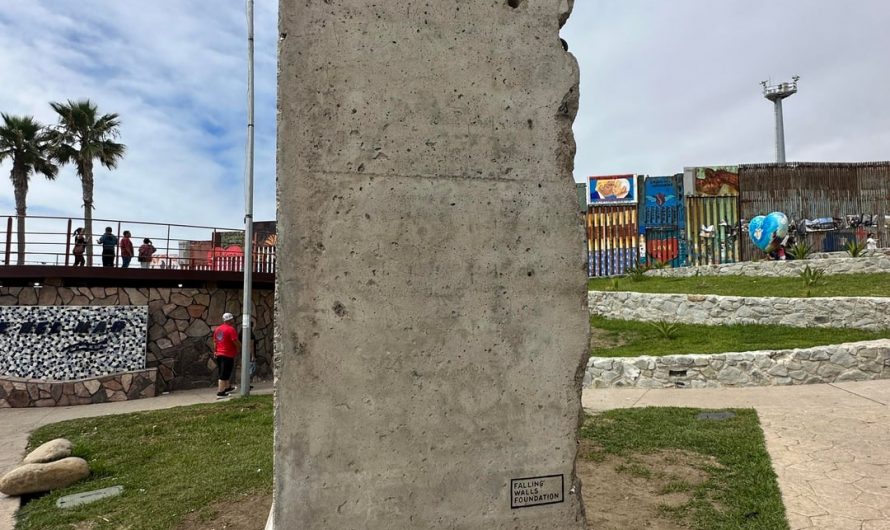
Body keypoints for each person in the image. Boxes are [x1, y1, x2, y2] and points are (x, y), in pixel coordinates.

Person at [212, 313, 241, 399]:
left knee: (225, 371)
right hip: (227, 354)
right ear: (230, 320)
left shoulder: (218, 329)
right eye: (232, 319)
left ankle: (227, 387)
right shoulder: (231, 329)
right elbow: (235, 341)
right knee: (224, 374)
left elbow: (215, 341)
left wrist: (215, 351)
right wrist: (240, 347)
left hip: (219, 354)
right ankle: (220, 392)